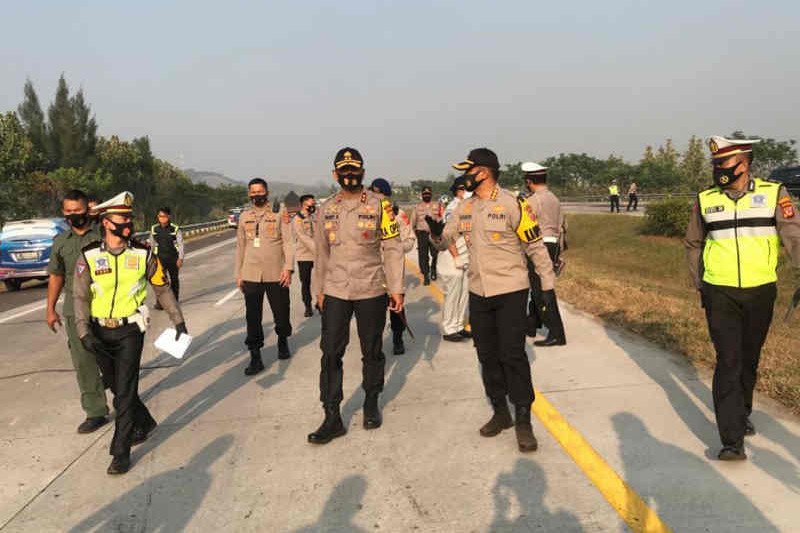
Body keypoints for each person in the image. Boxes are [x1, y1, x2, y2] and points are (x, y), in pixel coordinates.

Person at [428, 148, 556, 453]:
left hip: (511, 290)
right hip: (479, 291)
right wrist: (435, 235)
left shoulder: (513, 204)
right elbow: (446, 238)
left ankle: (523, 417)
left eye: (469, 170)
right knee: (486, 354)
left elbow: (535, 246)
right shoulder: (465, 207)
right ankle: (501, 412)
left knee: (512, 354)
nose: (464, 176)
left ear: (483, 172)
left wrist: (548, 286)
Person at [684, 135, 800, 461]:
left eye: (724, 163)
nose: (718, 169)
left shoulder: (774, 193)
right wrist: (700, 283)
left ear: (744, 163)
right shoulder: (705, 199)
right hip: (719, 291)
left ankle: (742, 411)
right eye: (715, 164)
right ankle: (731, 439)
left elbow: (793, 235)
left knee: (749, 359)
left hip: (761, 290)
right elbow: (693, 244)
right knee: (728, 361)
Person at [73, 191, 188, 474]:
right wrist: (83, 331)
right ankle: (145, 421)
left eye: (129, 217)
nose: (128, 222)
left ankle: (120, 450)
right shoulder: (88, 255)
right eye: (122, 218)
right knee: (115, 385)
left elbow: (162, 288)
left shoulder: (143, 254)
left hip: (130, 332)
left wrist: (178, 321)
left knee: (124, 392)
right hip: (99, 331)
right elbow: (80, 297)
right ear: (107, 222)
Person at [308, 148, 404, 444]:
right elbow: (321, 253)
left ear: (362, 172)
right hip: (336, 289)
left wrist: (397, 288)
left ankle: (371, 401)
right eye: (344, 170)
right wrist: (318, 290)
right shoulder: (326, 208)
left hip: (371, 287)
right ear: (335, 174)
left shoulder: (380, 206)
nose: (350, 175)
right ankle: (332, 414)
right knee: (330, 353)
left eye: (355, 170)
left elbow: (392, 247)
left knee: (372, 350)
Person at [46, 189, 109, 434]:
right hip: (75, 309)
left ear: (88, 210)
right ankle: (95, 411)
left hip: (107, 305)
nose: (74, 215)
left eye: (78, 210)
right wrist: (50, 309)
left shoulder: (105, 234)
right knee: (84, 362)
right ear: (63, 213)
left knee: (115, 360)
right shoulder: (60, 243)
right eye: (68, 211)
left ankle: (129, 407)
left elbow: (127, 224)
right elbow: (56, 277)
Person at [235, 178, 294, 375]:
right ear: (249, 194)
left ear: (266, 192)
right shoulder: (244, 217)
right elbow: (240, 246)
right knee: (252, 317)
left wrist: (288, 268)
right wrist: (239, 273)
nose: (256, 195)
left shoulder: (279, 213)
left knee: (282, 313)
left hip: (276, 273)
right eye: (253, 192)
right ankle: (255, 357)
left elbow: (288, 242)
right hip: (251, 273)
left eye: (259, 191)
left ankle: (283, 340)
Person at [521, 162, 567, 346]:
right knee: (537, 286)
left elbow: (524, 227)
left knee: (542, 291)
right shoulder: (554, 199)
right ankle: (532, 323)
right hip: (553, 244)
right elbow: (562, 225)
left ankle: (557, 333)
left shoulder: (531, 202)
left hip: (538, 246)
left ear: (529, 181)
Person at [369, 178, 416, 355]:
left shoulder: (398, 214)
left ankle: (397, 338)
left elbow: (410, 240)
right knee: (373, 308)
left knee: (397, 305)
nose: (375, 197)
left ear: (386, 195)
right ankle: (375, 342)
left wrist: (395, 248)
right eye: (372, 193)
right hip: (372, 268)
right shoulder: (365, 213)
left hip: (393, 267)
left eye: (378, 193)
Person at [438, 176, 471, 342]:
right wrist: (456, 256)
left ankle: (458, 325)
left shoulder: (468, 207)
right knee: (453, 295)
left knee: (464, 294)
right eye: (466, 189)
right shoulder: (453, 208)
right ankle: (449, 328)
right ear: (459, 191)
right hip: (452, 258)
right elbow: (447, 235)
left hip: (465, 258)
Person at [148, 207, 184, 308]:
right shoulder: (154, 229)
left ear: (169, 217)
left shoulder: (175, 228)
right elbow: (152, 244)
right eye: (160, 216)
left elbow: (180, 244)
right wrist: (151, 258)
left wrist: (180, 258)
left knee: (174, 280)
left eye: (164, 216)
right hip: (159, 259)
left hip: (173, 258)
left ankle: (175, 301)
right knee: (159, 281)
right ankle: (160, 303)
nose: (162, 218)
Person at [411, 186, 443, 285]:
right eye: (424, 194)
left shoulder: (437, 205)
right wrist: (416, 235)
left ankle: (433, 269)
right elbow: (413, 223)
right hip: (422, 234)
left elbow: (442, 219)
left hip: (434, 234)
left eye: (428, 194)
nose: (426, 196)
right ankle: (426, 275)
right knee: (423, 256)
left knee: (435, 254)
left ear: (431, 194)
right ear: (422, 195)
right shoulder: (417, 207)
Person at [294, 194, 317, 317]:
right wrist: (316, 249)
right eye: (311, 202)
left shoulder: (314, 216)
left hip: (317, 255)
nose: (313, 204)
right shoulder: (298, 219)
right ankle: (308, 306)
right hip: (304, 255)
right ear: (304, 203)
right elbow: (302, 236)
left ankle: (320, 302)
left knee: (320, 280)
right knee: (306, 282)